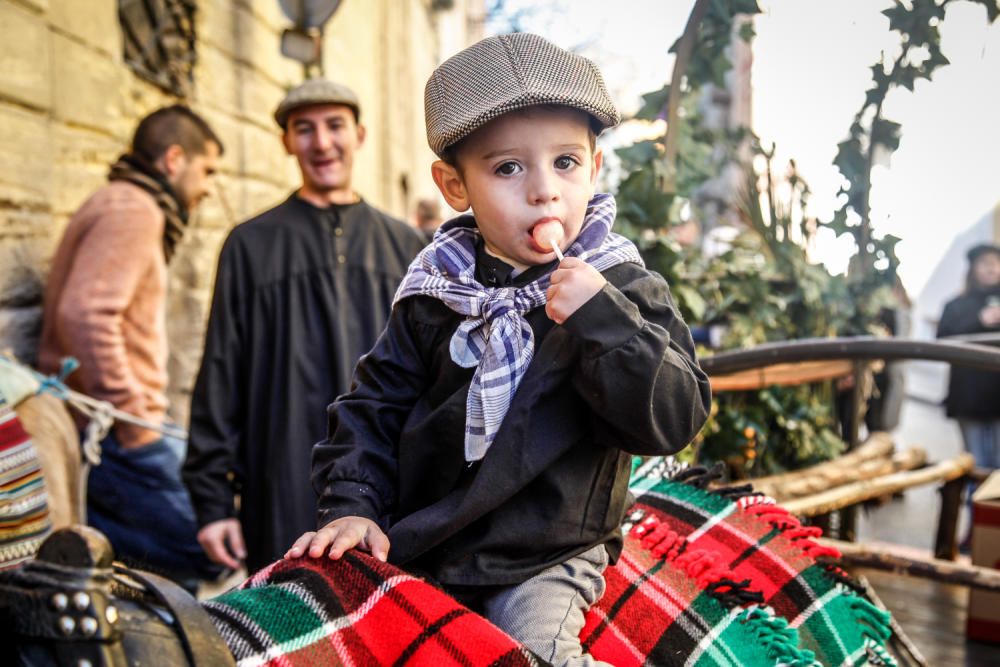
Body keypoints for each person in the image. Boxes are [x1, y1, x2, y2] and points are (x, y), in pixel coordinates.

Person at [288, 34, 711, 666]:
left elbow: (674, 417)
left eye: (565, 162)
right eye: (508, 168)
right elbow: (373, 404)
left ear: (594, 168)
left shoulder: (618, 285)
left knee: (536, 650)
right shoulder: (436, 291)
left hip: (544, 553)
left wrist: (604, 321)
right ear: (455, 186)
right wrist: (352, 505)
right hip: (429, 541)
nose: (543, 191)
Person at [183, 79, 426, 574]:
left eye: (334, 126)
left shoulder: (406, 247)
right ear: (287, 142)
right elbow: (221, 372)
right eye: (304, 129)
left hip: (387, 487)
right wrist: (212, 503)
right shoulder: (250, 245)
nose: (321, 142)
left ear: (358, 135)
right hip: (280, 482)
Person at [37, 105, 223, 586]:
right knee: (206, 551)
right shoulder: (132, 208)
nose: (207, 188)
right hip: (118, 434)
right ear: (174, 159)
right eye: (206, 171)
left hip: (113, 428)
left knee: (142, 574)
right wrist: (130, 417)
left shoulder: (124, 202)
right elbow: (86, 313)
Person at [937, 243, 1000, 475]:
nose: (991, 269)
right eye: (985, 263)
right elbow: (942, 340)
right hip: (969, 397)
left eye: (995, 263)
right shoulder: (957, 306)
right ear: (973, 268)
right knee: (977, 463)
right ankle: (978, 511)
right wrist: (979, 320)